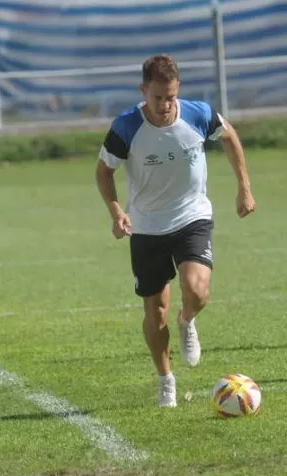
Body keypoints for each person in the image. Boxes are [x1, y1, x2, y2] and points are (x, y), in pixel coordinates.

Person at [95, 55, 256, 408]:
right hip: (147, 226)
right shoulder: (126, 127)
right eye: (157, 98)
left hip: (192, 216)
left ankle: (187, 321)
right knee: (154, 310)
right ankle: (165, 378)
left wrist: (244, 186)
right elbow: (103, 172)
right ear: (143, 91)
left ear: (177, 89)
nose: (165, 105)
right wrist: (115, 210)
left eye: (170, 96)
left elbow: (229, 137)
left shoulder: (198, 114)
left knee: (197, 291)